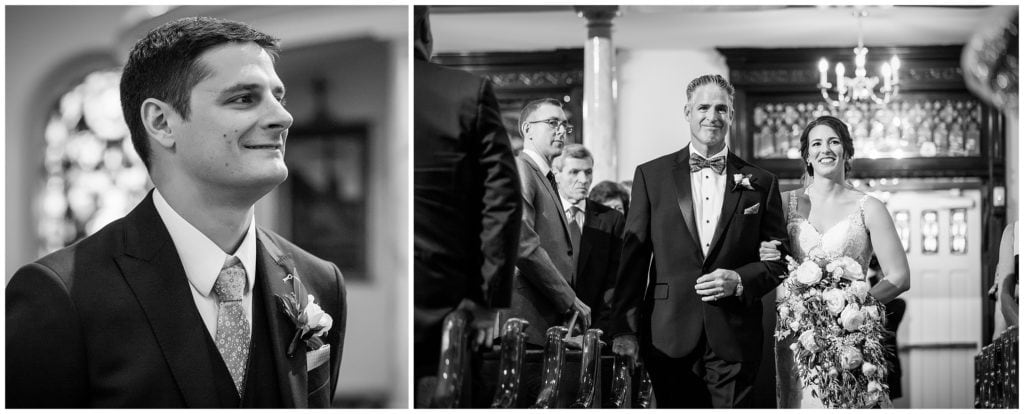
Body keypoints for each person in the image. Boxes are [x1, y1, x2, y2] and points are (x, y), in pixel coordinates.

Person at [6, 17, 346, 408]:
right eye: (243, 98)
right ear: (162, 122)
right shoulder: (60, 295)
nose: (283, 118)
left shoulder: (320, 283)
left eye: (278, 97)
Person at [608, 74, 789, 408]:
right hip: (668, 330)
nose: (712, 116)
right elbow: (633, 259)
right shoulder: (651, 176)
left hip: (735, 332)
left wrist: (739, 279)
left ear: (732, 116)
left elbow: (779, 261)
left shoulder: (762, 182)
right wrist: (624, 328)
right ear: (687, 112)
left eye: (722, 108)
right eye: (703, 107)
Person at [759, 115, 911, 408]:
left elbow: (899, 277)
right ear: (806, 155)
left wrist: (855, 309)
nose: (825, 149)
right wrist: (765, 250)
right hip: (796, 338)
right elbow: (767, 257)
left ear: (847, 151)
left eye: (834, 142)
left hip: (849, 338)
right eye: (816, 143)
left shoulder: (870, 208)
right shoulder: (782, 202)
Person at [411, 4, 522, 399]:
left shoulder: (356, 80)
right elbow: (504, 201)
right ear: (426, 31)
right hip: (449, 306)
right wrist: (489, 298)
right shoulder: (466, 92)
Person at [511, 98, 591, 347]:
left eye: (564, 125)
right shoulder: (521, 168)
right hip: (525, 318)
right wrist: (569, 299)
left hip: (543, 318)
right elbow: (521, 242)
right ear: (527, 129)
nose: (561, 131)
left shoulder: (544, 176)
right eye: (552, 122)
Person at [552, 145, 625, 337]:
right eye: (574, 172)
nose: (583, 180)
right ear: (556, 174)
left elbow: (614, 283)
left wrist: (596, 330)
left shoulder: (612, 220)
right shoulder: (543, 214)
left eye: (588, 172)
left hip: (593, 331)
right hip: (544, 327)